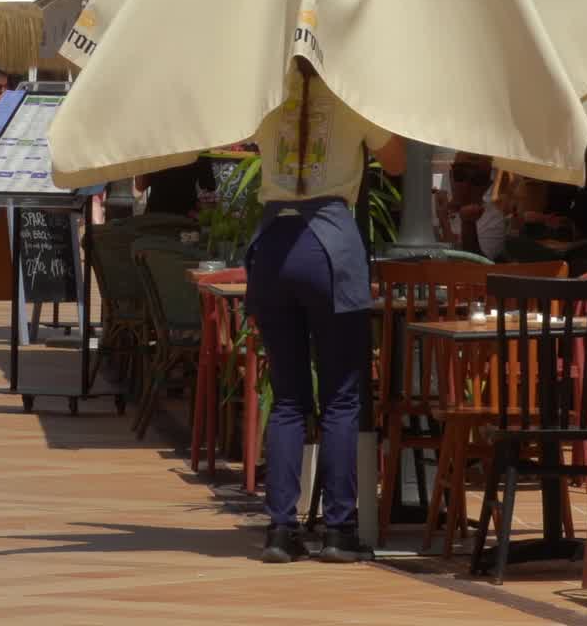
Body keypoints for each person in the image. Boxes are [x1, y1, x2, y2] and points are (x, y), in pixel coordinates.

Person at [246, 59, 407, 565]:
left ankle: (280, 529)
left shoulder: (265, 88)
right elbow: (399, 162)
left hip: (273, 243)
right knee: (340, 395)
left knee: (289, 395)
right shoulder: (355, 90)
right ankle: (337, 530)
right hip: (330, 244)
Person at [437, 152, 509, 259]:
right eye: (460, 174)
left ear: (487, 185)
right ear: (451, 175)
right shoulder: (431, 206)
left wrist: (466, 223)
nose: (466, 185)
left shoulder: (493, 219)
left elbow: (474, 265)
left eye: (478, 179)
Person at [137, 154, 218, 217]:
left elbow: (140, 186)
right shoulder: (197, 145)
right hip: (185, 218)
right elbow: (209, 190)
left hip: (155, 215)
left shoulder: (154, 145)